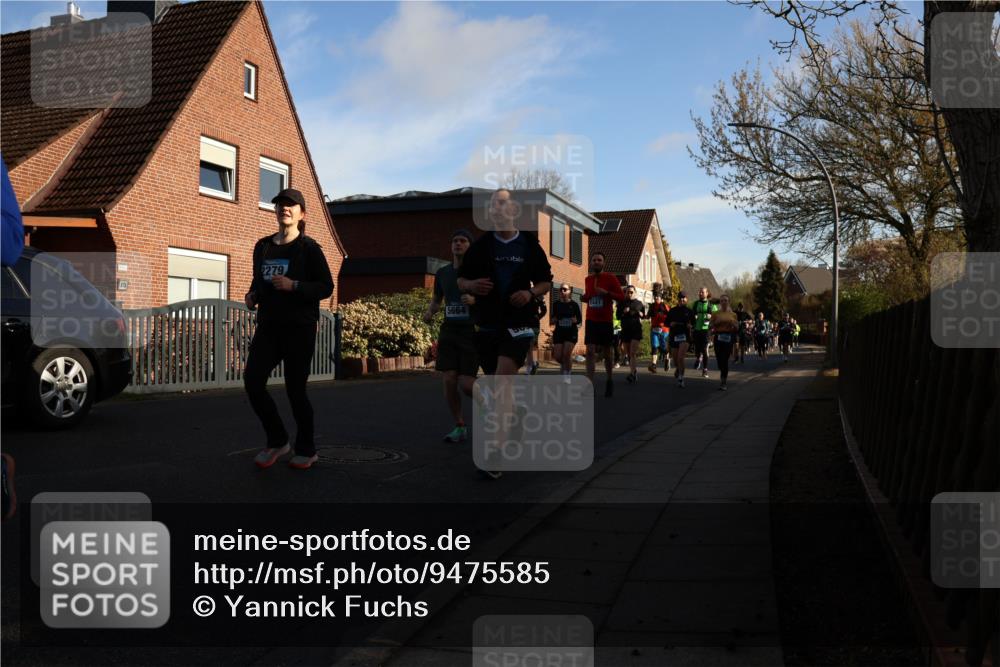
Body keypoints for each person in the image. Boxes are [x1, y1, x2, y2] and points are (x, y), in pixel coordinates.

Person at [458, 189, 553, 479]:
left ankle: (496, 455)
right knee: (500, 389)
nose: (496, 209)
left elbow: (546, 282)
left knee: (501, 380)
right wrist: (471, 286)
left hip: (519, 323)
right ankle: (515, 416)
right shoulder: (481, 246)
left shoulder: (528, 244)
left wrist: (529, 292)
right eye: (492, 205)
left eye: (501, 203)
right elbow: (461, 280)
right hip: (488, 324)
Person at [245, 188, 334, 470]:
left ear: (301, 214)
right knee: (252, 381)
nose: (285, 208)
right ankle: (278, 440)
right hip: (269, 327)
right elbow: (258, 281)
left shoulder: (309, 248)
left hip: (299, 329)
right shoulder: (263, 246)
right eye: (281, 204)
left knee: (296, 390)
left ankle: (307, 449)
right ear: (275, 211)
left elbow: (326, 286)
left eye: (291, 205)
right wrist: (252, 295)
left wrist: (294, 286)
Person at [423, 229, 478, 443]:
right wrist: (430, 311)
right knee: (448, 379)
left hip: (470, 332)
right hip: (448, 330)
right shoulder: (443, 273)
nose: (458, 244)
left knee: (466, 384)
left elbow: (492, 298)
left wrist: (475, 302)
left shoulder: (477, 272)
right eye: (455, 241)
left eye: (463, 241)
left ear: (469, 246)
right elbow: (437, 299)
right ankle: (460, 425)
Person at [583, 251, 625, 397]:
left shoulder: (611, 278)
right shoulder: (587, 279)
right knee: (589, 351)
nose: (596, 262)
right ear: (591, 262)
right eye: (594, 260)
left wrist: (606, 293)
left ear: (603, 263)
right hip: (591, 320)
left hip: (606, 321)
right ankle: (589, 384)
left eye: (599, 260)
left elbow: (621, 297)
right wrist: (585, 297)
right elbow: (589, 296)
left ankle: (609, 380)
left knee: (607, 353)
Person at [551, 283, 582, 383]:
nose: (562, 291)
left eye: (565, 289)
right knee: (557, 356)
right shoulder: (556, 304)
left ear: (570, 291)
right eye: (560, 290)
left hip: (571, 332)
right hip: (559, 332)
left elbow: (579, 319)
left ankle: (567, 375)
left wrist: (575, 320)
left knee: (566, 354)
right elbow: (553, 318)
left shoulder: (574, 305)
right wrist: (554, 319)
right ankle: (565, 364)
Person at [665, 291, 695, 387]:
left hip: (685, 336)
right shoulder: (672, 311)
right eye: (680, 298)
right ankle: (678, 369)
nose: (682, 299)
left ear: (686, 299)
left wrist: (690, 325)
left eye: (684, 298)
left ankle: (681, 378)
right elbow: (666, 323)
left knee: (680, 358)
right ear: (678, 299)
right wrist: (671, 324)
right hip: (674, 336)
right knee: (675, 360)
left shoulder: (689, 311)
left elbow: (694, 324)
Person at [710, 295, 739, 390]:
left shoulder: (733, 315)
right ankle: (722, 371)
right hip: (718, 336)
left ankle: (723, 381)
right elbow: (710, 326)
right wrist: (715, 323)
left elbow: (737, 328)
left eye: (726, 300)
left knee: (725, 359)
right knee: (719, 359)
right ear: (720, 303)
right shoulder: (715, 314)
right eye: (722, 301)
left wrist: (734, 325)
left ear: (728, 302)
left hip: (728, 337)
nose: (724, 302)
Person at [618, 286, 645, 384]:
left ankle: (632, 374)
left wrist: (641, 314)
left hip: (636, 330)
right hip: (625, 330)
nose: (629, 294)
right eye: (627, 292)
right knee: (629, 353)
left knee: (632, 352)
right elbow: (617, 315)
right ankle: (634, 371)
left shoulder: (639, 303)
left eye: (631, 292)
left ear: (635, 293)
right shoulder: (622, 303)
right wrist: (623, 312)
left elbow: (644, 315)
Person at [691, 287, 718, 378]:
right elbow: (691, 314)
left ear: (707, 293)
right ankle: (698, 358)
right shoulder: (695, 304)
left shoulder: (711, 305)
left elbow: (716, 317)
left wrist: (712, 317)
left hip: (706, 330)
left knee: (705, 350)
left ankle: (705, 370)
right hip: (697, 330)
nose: (700, 293)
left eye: (702, 292)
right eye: (699, 292)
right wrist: (693, 316)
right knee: (697, 350)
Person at [522, 295, 546, 375]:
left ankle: (529, 369)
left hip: (534, 325)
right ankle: (534, 363)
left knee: (531, 346)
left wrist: (538, 317)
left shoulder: (538, 297)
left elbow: (544, 310)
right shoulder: (523, 295)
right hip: (524, 325)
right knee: (530, 347)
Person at [647, 292, 669, 373]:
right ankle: (654, 365)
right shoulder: (652, 306)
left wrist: (662, 316)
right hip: (654, 329)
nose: (656, 298)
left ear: (661, 298)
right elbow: (648, 315)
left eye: (658, 297)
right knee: (654, 346)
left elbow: (669, 316)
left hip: (663, 330)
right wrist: (648, 316)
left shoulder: (664, 306)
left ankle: (667, 359)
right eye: (655, 296)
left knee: (663, 347)